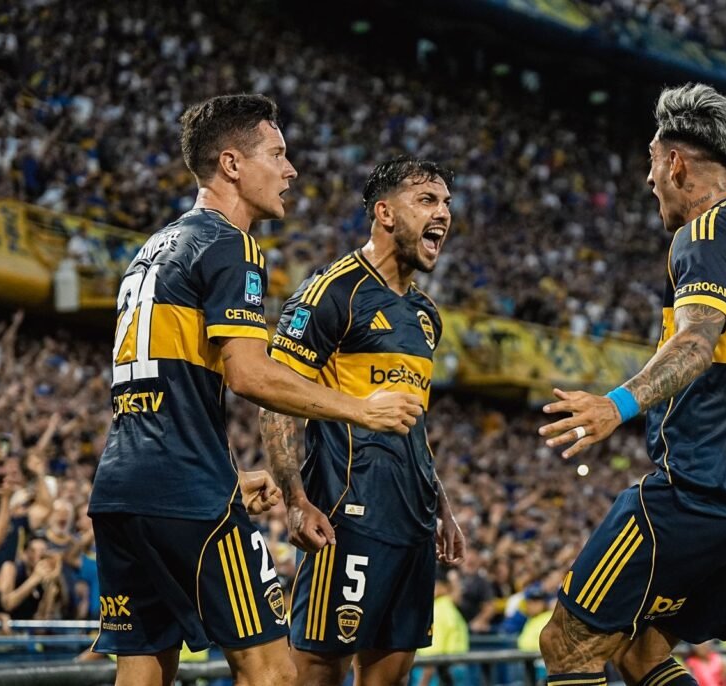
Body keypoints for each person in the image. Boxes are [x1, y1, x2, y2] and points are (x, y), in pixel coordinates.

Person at [87, 95, 424, 686]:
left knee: (143, 671)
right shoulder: (230, 244)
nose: (290, 170)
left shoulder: (152, 249)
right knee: (273, 673)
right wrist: (360, 409)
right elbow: (250, 375)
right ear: (232, 164)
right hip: (185, 491)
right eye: (277, 154)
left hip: (121, 490)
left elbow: (166, 391)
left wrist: (227, 474)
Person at [536, 83, 726, 686]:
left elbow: (698, 342)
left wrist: (616, 404)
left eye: (652, 163)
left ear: (675, 162)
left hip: (698, 491)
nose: (649, 180)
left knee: (567, 645)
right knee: (642, 656)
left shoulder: (705, 234)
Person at [259, 155, 465, 686]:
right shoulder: (332, 291)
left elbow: (413, 422)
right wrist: (295, 499)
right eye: (427, 200)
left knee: (391, 675)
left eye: (446, 202)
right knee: (317, 671)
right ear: (385, 213)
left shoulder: (426, 315)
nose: (443, 213)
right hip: (347, 514)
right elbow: (274, 398)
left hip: (413, 521)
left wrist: (441, 504)